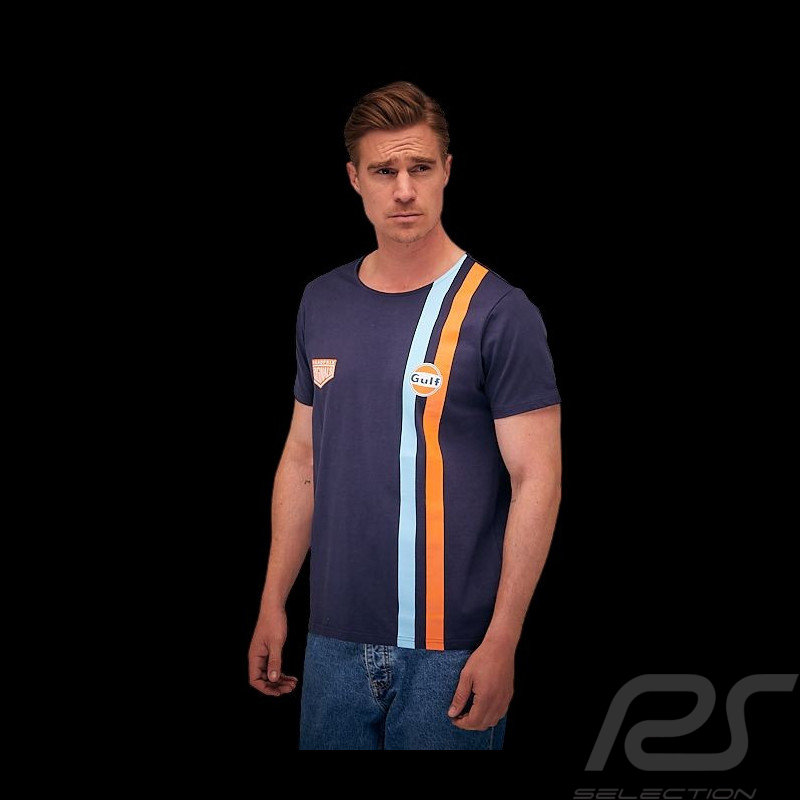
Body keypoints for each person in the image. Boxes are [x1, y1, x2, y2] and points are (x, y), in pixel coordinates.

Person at [247, 80, 562, 750]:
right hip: (331, 640)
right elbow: (302, 458)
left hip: (453, 648)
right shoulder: (321, 301)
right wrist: (274, 600)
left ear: (447, 169)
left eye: (420, 167)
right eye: (384, 171)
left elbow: (538, 480)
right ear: (354, 178)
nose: (404, 190)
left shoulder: (500, 312)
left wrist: (504, 639)